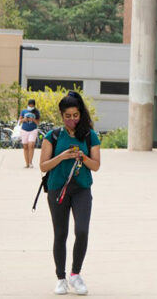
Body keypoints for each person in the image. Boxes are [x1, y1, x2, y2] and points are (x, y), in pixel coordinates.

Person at [38, 92, 102, 295]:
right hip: (58, 189)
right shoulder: (53, 136)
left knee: (82, 230)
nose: (72, 120)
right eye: (68, 115)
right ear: (61, 115)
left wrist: (82, 157)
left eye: (76, 115)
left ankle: (76, 274)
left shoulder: (90, 135)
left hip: (82, 189)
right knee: (60, 233)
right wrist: (63, 156)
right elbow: (43, 166)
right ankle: (61, 278)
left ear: (81, 114)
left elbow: (96, 166)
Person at [19, 99, 41, 168]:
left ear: (34, 106)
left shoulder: (36, 112)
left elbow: (38, 123)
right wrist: (24, 119)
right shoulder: (24, 111)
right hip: (24, 130)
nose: (31, 106)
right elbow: (19, 121)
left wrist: (33, 119)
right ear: (28, 105)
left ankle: (31, 162)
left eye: (32, 105)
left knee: (31, 145)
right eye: (30, 105)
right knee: (25, 147)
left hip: (33, 130)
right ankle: (27, 163)